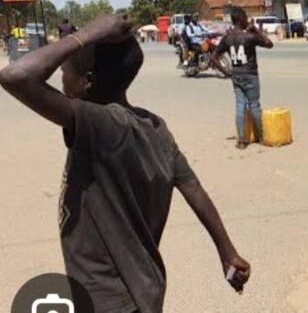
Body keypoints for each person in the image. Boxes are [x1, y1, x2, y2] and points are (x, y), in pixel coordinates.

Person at [0, 15, 250, 312]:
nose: (61, 79)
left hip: (108, 297)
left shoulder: (102, 123)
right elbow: (193, 188)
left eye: (65, 72)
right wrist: (227, 251)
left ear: (86, 83)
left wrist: (87, 35)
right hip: (145, 286)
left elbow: (15, 76)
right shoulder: (154, 126)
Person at [212, 7, 274, 149]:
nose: (247, 20)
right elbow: (269, 44)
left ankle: (241, 140)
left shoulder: (227, 38)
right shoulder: (249, 37)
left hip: (236, 75)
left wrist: (227, 72)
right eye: (246, 18)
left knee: (240, 105)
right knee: (254, 105)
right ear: (241, 20)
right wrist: (257, 30)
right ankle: (262, 136)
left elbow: (214, 57)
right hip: (250, 75)